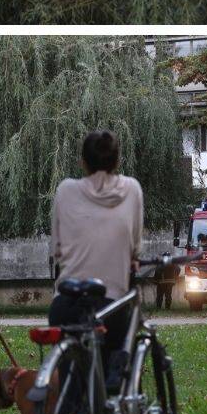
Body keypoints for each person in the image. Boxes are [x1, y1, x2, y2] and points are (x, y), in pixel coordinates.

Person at [49, 130, 144, 390]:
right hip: (110, 304)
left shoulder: (65, 190)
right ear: (116, 161)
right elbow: (135, 247)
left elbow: (57, 248)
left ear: (83, 161)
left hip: (66, 302)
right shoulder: (132, 189)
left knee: (71, 374)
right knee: (116, 355)